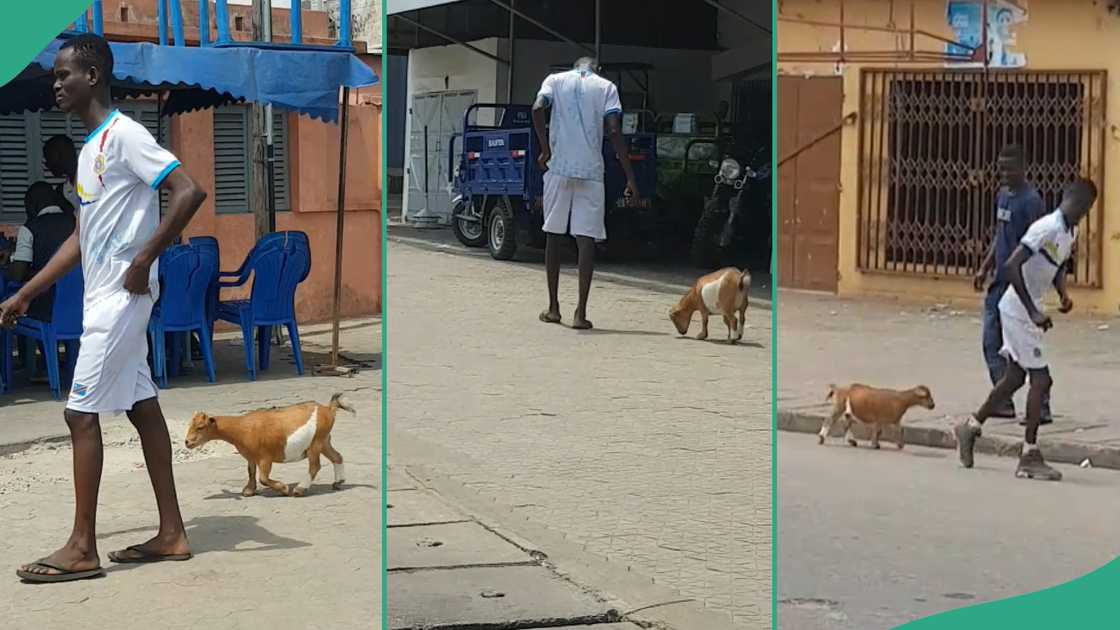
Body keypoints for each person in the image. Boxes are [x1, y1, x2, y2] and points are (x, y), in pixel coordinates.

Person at [0, 34, 207, 582]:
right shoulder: (91, 149)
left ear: (93, 76)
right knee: (142, 406)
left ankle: (82, 546)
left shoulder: (126, 137)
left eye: (65, 74)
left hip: (121, 297)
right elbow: (80, 238)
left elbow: (189, 191)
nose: (57, 84)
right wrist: (26, 292)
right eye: (55, 76)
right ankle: (172, 534)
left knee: (78, 412)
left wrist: (144, 259)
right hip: (104, 297)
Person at [956, 177, 1097, 481]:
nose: (1083, 214)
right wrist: (1032, 311)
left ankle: (970, 427)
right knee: (1042, 380)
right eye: (1084, 208)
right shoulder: (1046, 227)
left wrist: (1062, 293)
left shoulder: (1070, 231)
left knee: (1015, 377)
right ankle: (1029, 454)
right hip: (1017, 309)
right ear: (1079, 203)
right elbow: (1011, 266)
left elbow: (1056, 264)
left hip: (1026, 308)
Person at [532, 57, 639, 330]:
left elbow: (537, 108)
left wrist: (545, 148)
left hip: (559, 168)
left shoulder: (554, 81)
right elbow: (614, 130)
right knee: (586, 239)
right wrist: (629, 176)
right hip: (591, 171)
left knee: (553, 235)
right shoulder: (607, 87)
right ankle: (580, 313)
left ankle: (553, 307)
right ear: (596, 69)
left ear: (575, 66)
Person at [973, 144, 1049, 424]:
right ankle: (1002, 400)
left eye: (1009, 168)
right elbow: (1000, 235)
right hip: (999, 282)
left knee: (1025, 346)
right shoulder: (1003, 196)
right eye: (1001, 167)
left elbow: (1039, 243)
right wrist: (984, 267)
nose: (1004, 173)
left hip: (1021, 285)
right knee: (991, 342)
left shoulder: (1032, 202)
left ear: (1023, 167)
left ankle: (1041, 406)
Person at [6, 182, 77, 324]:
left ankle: (33, 346)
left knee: (15, 308)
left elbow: (17, 274)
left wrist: (8, 263)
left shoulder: (30, 228)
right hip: (79, 307)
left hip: (46, 311)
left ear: (32, 205)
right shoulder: (76, 224)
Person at [44, 134, 81, 213]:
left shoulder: (92, 178)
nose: (47, 164)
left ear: (61, 155)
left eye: (49, 157)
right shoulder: (61, 191)